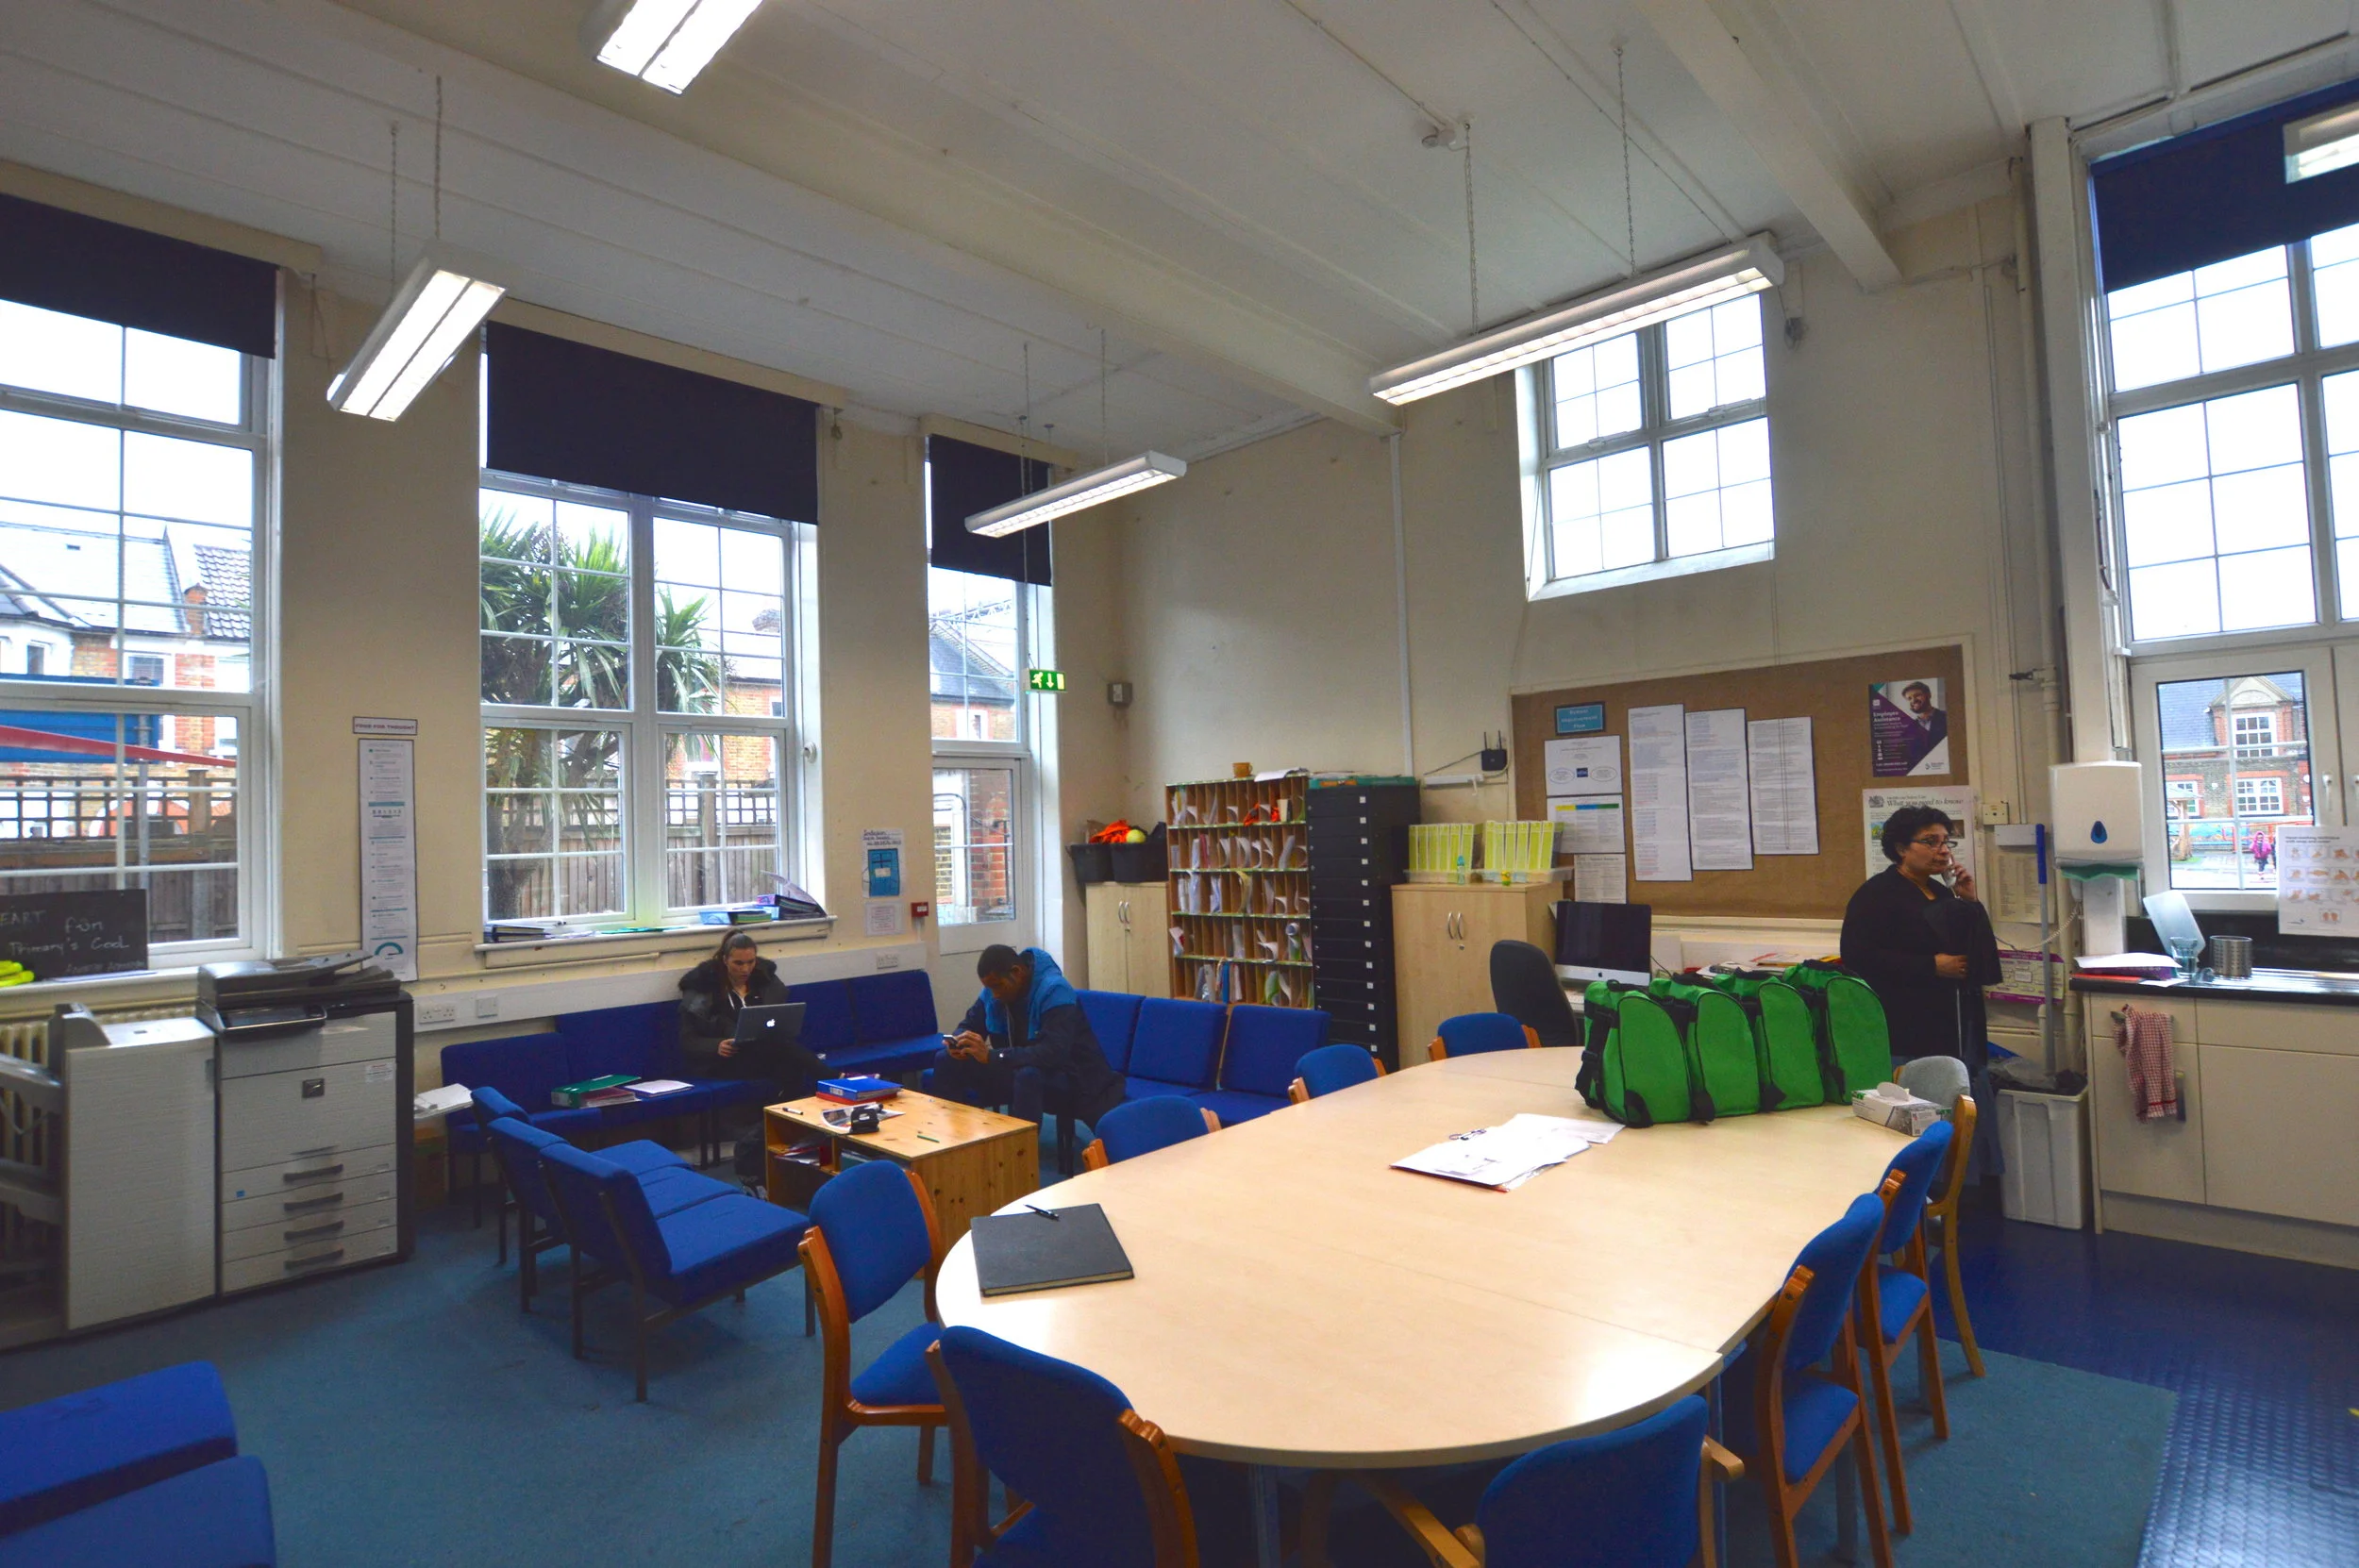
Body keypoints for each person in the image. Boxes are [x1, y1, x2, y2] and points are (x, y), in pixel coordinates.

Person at [1839, 806, 1999, 1071]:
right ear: (1902, 849)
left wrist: (1969, 900)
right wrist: (1930, 965)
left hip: (1950, 1022)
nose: (1944, 850)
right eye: (1930, 842)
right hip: (1904, 1026)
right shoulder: (1876, 894)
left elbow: (1979, 953)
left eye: (1946, 841)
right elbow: (1858, 957)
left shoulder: (1941, 891)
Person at [932, 944, 1125, 1130]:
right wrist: (958, 1041)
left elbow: (1052, 1053)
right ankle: (955, 1142)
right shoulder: (993, 993)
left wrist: (993, 1057)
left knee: (1028, 1075)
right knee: (945, 1060)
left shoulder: (1055, 991)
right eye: (990, 988)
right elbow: (969, 1025)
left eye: (998, 986)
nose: (995, 994)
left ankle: (1022, 1155)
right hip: (1018, 1066)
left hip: (1069, 1076)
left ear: (1017, 972)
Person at [678, 931, 828, 1100]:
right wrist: (716, 1045)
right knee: (787, 1055)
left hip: (762, 1053)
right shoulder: (703, 988)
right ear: (725, 960)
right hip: (722, 1061)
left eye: (751, 962)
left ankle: (782, 1118)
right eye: (738, 963)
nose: (745, 969)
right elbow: (688, 1041)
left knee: (788, 1063)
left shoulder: (764, 983)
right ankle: (834, 1079)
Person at [1900, 681, 1948, 769]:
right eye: (1909, 698)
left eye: (1917, 695)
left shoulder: (1949, 718)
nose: (1913, 700)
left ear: (1928, 695)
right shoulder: (1907, 731)